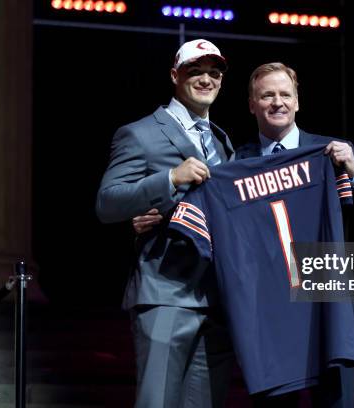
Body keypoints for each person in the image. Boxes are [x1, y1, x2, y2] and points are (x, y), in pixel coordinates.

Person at [96, 39, 235, 408]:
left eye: (214, 72)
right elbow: (107, 202)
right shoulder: (139, 133)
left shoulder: (222, 142)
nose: (206, 79)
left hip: (215, 300)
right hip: (165, 294)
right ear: (175, 75)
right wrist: (169, 179)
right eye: (195, 71)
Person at [239, 63, 354, 407]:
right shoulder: (237, 163)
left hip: (329, 314)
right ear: (252, 104)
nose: (278, 102)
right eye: (267, 95)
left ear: (297, 102)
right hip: (270, 321)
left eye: (285, 94)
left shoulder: (332, 153)